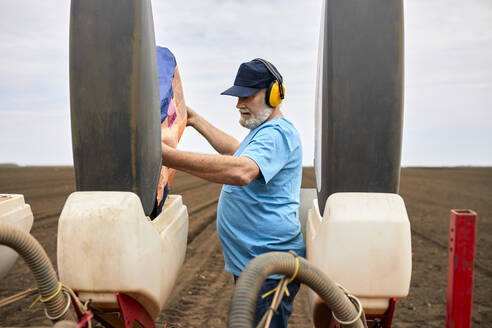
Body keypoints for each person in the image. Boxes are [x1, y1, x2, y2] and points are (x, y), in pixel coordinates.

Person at [161, 58, 306, 327]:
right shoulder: (263, 131)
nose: (239, 104)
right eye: (237, 96)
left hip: (270, 268)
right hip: (255, 264)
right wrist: (195, 120)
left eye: (247, 95)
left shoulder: (277, 133)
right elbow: (235, 150)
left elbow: (241, 171)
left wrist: (167, 156)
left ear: (275, 94)